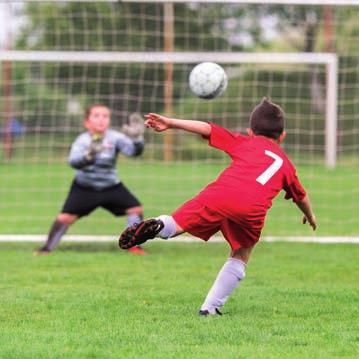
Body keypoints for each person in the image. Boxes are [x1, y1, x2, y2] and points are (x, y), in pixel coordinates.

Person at [118, 97, 317, 315]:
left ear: (250, 131)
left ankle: (158, 225)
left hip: (220, 194)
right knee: (241, 253)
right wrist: (310, 216)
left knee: (177, 223)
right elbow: (301, 197)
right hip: (251, 208)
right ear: (282, 136)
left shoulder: (245, 142)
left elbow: (208, 128)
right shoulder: (286, 165)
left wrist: (171, 123)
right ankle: (210, 308)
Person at [36, 105, 146, 255]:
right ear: (87, 122)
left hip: (111, 186)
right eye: (96, 116)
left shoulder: (115, 137)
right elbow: (73, 162)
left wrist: (137, 139)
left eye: (105, 116)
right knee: (65, 218)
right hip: (84, 187)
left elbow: (134, 152)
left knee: (136, 209)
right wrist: (88, 156)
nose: (101, 119)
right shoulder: (82, 141)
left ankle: (134, 246)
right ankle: (46, 249)